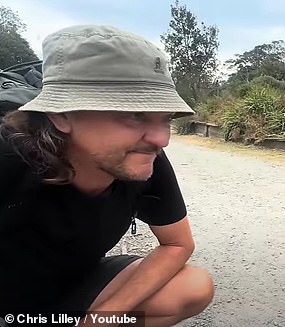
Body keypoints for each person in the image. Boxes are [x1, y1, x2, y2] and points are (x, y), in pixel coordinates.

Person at [0, 24, 214, 326]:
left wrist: (104, 316)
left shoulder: (142, 158)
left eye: (164, 118)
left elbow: (178, 244)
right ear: (61, 115)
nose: (161, 139)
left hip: (74, 289)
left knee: (192, 286)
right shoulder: (9, 158)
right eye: (133, 114)